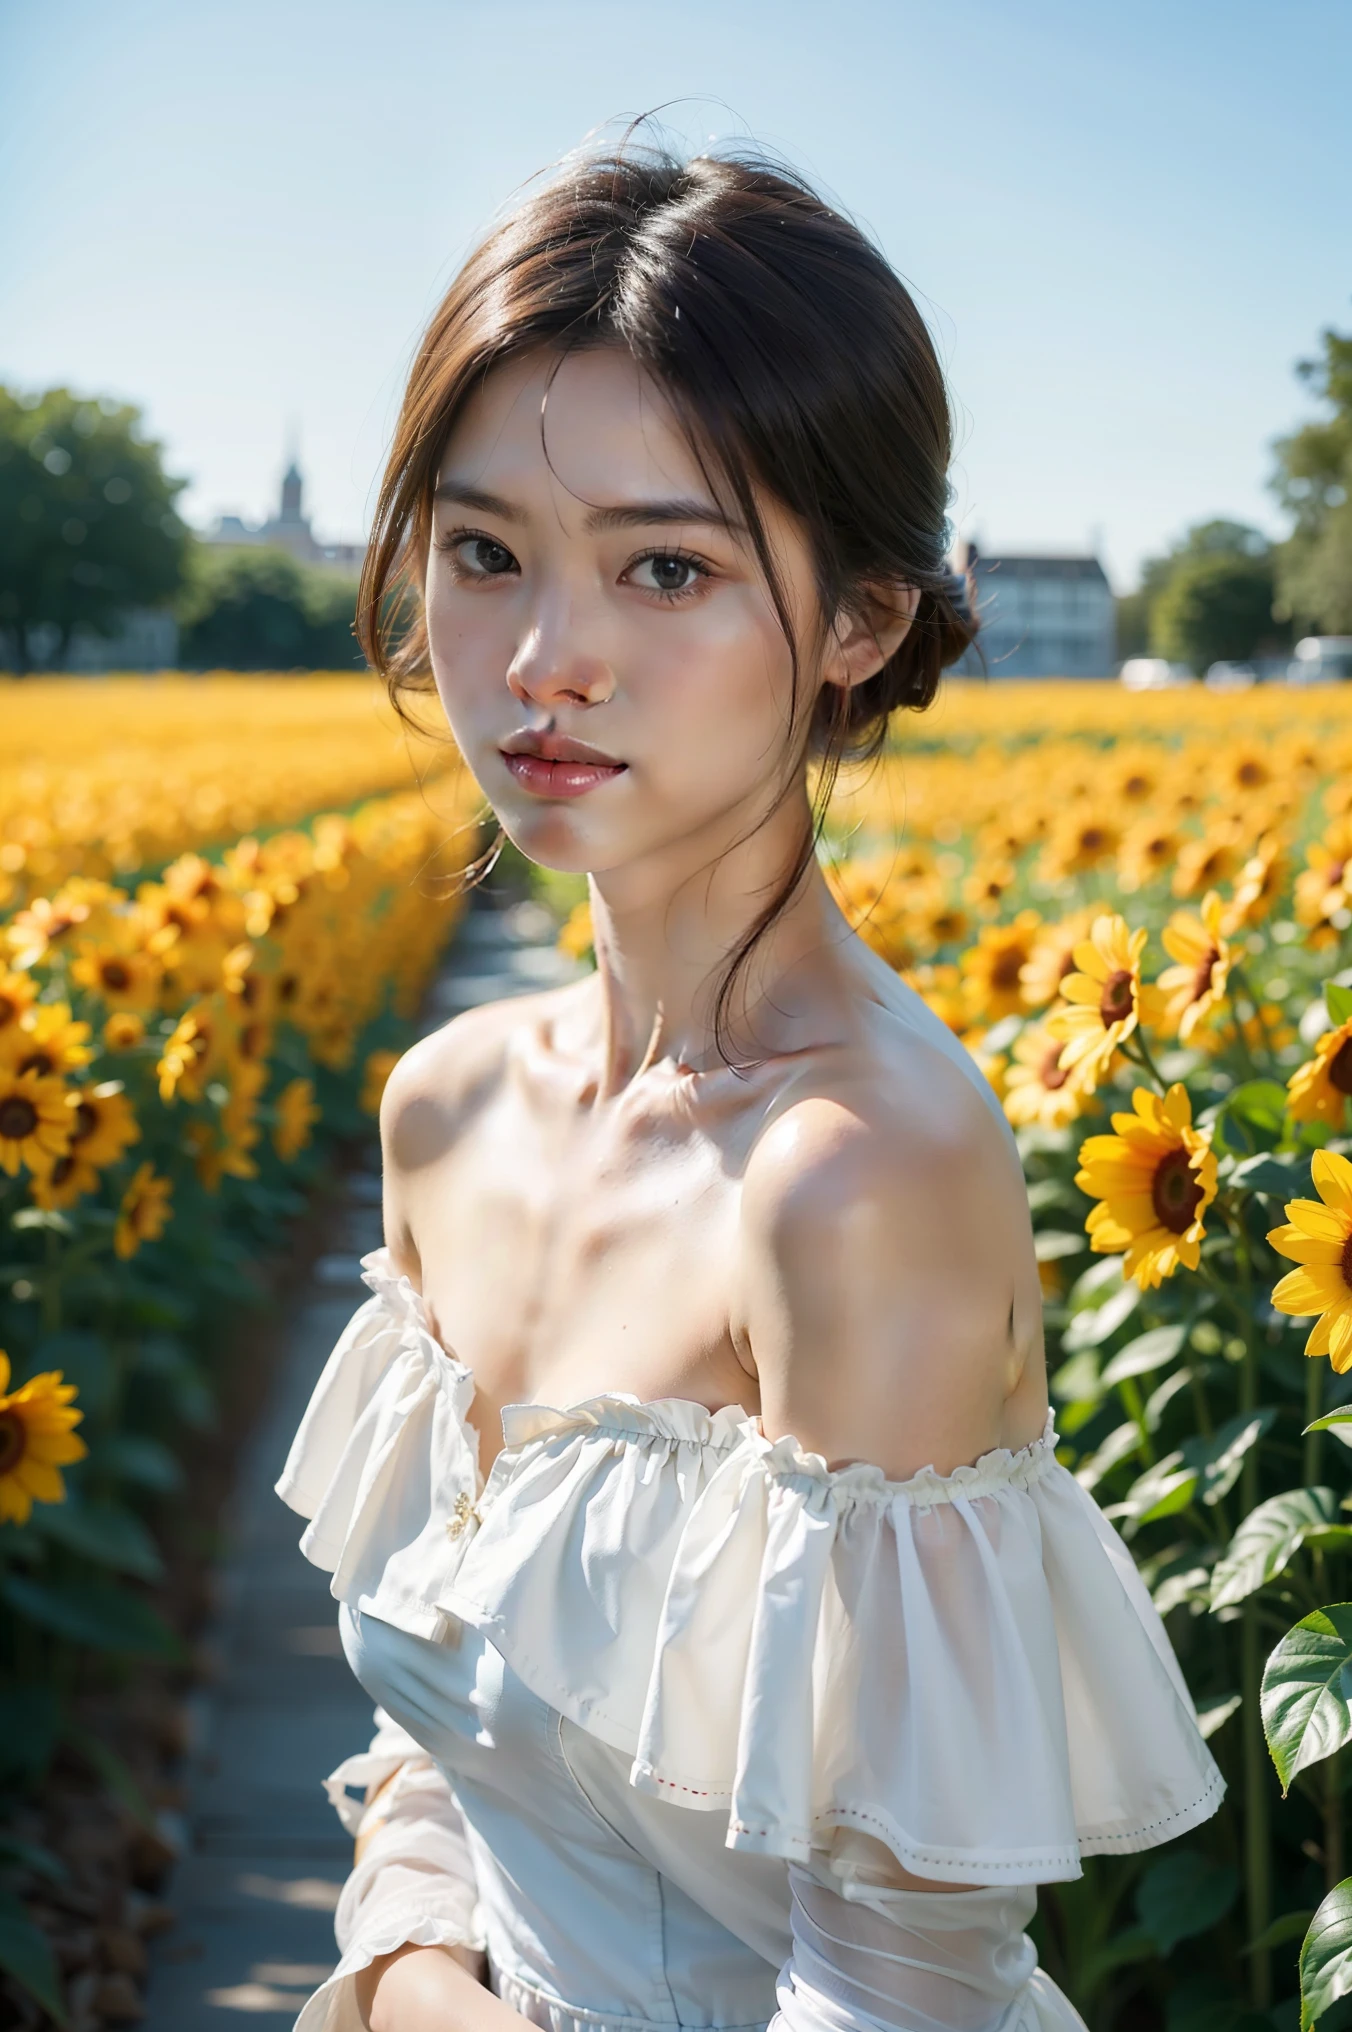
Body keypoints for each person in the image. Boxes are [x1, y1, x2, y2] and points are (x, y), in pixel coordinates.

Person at [276, 139, 1224, 2032]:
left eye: (667, 568)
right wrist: (404, 1978)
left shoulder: (854, 1179)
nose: (545, 662)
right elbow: (445, 1739)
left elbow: (901, 1985)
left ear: (860, 624)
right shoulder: (448, 1111)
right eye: (484, 555)